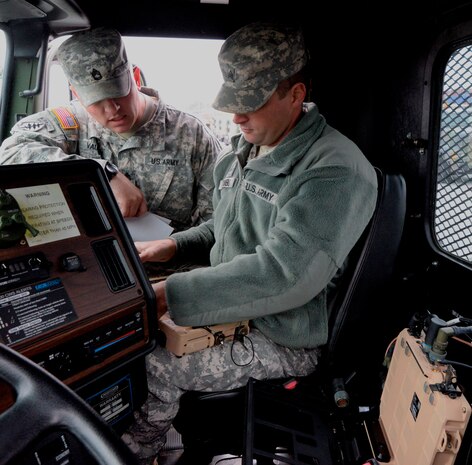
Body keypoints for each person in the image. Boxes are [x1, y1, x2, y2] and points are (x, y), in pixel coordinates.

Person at [122, 21, 378, 464]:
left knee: (155, 362)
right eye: (233, 104)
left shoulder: (333, 169)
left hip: (284, 335)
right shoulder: (241, 153)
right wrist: (175, 248)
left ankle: (132, 453)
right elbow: (224, 228)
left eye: (251, 104)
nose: (237, 117)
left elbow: (284, 274)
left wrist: (171, 294)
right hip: (236, 307)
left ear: (295, 95)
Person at [0, 27, 222, 232]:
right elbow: (11, 153)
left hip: (169, 267)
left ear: (134, 78)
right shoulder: (69, 122)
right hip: (91, 263)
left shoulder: (192, 134)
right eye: (96, 101)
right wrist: (101, 173)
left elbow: (217, 221)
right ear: (77, 94)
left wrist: (173, 248)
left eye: (118, 94)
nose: (112, 109)